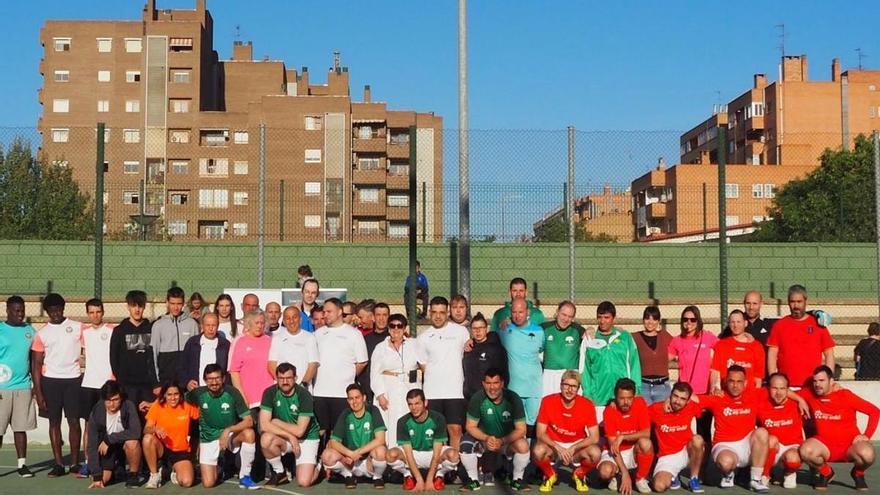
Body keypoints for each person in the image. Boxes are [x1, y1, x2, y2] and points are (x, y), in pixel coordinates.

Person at [695, 365, 776, 492]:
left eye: (739, 382)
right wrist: (669, 401)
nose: (735, 385)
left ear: (745, 383)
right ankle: (728, 475)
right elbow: (691, 397)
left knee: (762, 433)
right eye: (731, 381)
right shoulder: (718, 398)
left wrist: (799, 399)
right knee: (726, 463)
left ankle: (755, 479)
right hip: (725, 445)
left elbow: (779, 389)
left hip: (747, 444)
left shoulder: (753, 395)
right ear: (726, 382)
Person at [798, 365, 879, 490]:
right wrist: (800, 399)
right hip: (825, 445)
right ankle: (826, 472)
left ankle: (858, 473)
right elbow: (786, 392)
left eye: (822, 381)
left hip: (849, 445)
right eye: (815, 381)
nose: (817, 384)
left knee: (868, 454)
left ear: (831, 381)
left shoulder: (845, 395)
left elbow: (874, 411)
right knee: (805, 450)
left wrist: (866, 435)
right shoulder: (809, 393)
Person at [31, 292, 83, 476]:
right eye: (51, 310)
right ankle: (59, 464)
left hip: (74, 380)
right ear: (47, 312)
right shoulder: (42, 334)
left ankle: (75, 463)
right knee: (54, 422)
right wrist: (38, 393)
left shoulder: (78, 327)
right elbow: (36, 365)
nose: (55, 313)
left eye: (58, 309)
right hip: (50, 382)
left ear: (63, 308)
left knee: (74, 421)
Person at [185, 364, 258, 489]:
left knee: (249, 434)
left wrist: (228, 430)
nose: (214, 382)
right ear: (205, 380)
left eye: (217, 378)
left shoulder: (232, 392)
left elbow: (249, 421)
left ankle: (245, 476)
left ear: (223, 378)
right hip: (208, 438)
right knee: (208, 484)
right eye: (210, 379)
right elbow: (180, 400)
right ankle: (220, 466)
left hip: (229, 435)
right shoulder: (198, 393)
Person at [460, 367, 531, 491]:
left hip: (506, 442)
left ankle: (517, 479)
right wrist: (487, 438)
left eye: (496, 383)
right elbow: (470, 426)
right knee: (465, 442)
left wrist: (502, 441)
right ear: (483, 383)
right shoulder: (477, 398)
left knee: (523, 445)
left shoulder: (513, 398)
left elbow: (521, 429)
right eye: (488, 383)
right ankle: (473, 480)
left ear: (502, 383)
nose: (492, 388)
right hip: (485, 441)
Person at [532, 370, 601, 493]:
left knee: (595, 453)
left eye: (574, 386)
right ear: (561, 385)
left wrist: (574, 447)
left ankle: (579, 474)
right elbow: (540, 433)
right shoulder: (547, 401)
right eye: (566, 385)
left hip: (576, 446)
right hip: (554, 445)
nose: (570, 390)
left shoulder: (587, 404)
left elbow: (595, 437)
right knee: (538, 450)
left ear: (578, 388)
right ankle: (550, 474)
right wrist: (558, 447)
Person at [418, 296, 471, 451]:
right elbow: (423, 365)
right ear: (429, 312)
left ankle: (453, 466)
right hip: (432, 393)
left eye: (442, 312)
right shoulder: (423, 337)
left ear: (447, 312)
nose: (438, 316)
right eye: (434, 312)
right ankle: (440, 468)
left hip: (455, 392)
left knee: (455, 430)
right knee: (436, 433)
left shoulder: (461, 332)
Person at [259, 363, 322, 487]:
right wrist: (290, 436)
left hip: (307, 438)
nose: (285, 381)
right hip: (288, 438)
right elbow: (264, 425)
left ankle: (320, 465)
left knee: (304, 482)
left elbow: (300, 431)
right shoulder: (269, 392)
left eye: (288, 378)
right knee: (266, 439)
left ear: (295, 378)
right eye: (281, 378)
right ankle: (280, 472)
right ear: (276, 379)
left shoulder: (304, 395)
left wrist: (277, 422)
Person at [313, 298, 368, 435]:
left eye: (329, 311)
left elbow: (362, 362)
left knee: (338, 432)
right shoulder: (317, 334)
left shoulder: (354, 334)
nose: (325, 314)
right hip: (320, 392)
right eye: (324, 311)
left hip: (342, 394)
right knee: (320, 430)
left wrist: (348, 375)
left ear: (340, 312)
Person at [387, 389, 460, 491]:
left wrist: (429, 480)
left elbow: (437, 453)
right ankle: (409, 476)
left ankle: (439, 476)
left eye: (417, 403)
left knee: (454, 455)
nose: (414, 408)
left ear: (425, 403)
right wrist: (420, 480)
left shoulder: (438, 418)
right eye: (410, 404)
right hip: (413, 453)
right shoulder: (403, 421)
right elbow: (408, 454)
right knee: (391, 455)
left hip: (433, 452)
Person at [321, 383, 388, 489]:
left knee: (381, 451)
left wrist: (358, 452)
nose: (354, 401)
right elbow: (334, 442)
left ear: (364, 397)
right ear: (348, 401)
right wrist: (350, 454)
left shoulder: (373, 410)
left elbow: (380, 439)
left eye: (357, 397)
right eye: (351, 398)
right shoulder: (345, 414)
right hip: (350, 462)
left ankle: (377, 477)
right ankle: (348, 475)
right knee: (327, 455)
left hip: (368, 461)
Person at [579, 301, 641, 415]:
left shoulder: (625, 338)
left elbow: (634, 365)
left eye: (606, 317)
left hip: (623, 398)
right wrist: (588, 394)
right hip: (598, 399)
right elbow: (584, 370)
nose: (602, 321)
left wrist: (636, 391)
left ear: (614, 318)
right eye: (599, 317)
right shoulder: (589, 340)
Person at [767, 284, 835, 388]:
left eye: (799, 302)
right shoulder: (779, 325)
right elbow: (772, 354)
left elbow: (829, 353)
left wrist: (829, 379)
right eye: (792, 302)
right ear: (788, 303)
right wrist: (773, 379)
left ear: (805, 301)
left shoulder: (818, 325)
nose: (796, 306)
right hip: (787, 386)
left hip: (813, 385)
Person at [370, 313, 422, 446]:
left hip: (409, 387)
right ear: (388, 328)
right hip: (388, 389)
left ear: (405, 328)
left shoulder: (414, 344)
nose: (396, 329)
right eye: (392, 326)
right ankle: (390, 454)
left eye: (400, 326)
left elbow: (424, 363)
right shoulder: (380, 348)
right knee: (390, 422)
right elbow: (374, 373)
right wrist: (380, 395)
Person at [78, 298, 116, 479]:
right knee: (89, 426)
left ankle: (112, 462)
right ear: (87, 313)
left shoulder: (112, 330)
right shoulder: (83, 332)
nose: (95, 315)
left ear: (103, 311)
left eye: (98, 311)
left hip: (107, 385)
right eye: (91, 312)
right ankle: (87, 463)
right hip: (88, 385)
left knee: (110, 424)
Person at [0, 295, 37, 477]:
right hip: (2, 389)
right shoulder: (0, 330)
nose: (20, 314)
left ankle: (22, 465)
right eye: (16, 310)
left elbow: (34, 359)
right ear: (7, 310)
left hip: (23, 387)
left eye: (22, 310)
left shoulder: (30, 331)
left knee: (20, 428)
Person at [668, 305, 716, 444]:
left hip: (703, 394)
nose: (689, 323)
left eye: (693, 320)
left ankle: (703, 464)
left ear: (698, 320)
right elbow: (663, 358)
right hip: (684, 394)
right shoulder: (677, 340)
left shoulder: (707, 337)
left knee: (703, 431)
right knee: (680, 429)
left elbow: (724, 347)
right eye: (685, 319)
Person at [597, 379, 654, 494]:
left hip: (633, 450)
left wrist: (623, 436)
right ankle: (617, 475)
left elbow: (646, 433)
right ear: (615, 397)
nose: (626, 402)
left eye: (629, 398)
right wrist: (625, 473)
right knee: (605, 472)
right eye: (621, 398)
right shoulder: (609, 411)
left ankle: (639, 478)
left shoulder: (640, 403)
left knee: (646, 443)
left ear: (634, 396)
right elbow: (614, 447)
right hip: (614, 453)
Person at [648, 382, 706, 493]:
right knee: (659, 486)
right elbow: (637, 413)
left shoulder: (692, 406)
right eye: (675, 396)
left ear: (688, 401)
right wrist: (613, 403)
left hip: (687, 452)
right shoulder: (657, 408)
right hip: (667, 456)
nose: (677, 401)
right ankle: (673, 477)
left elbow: (709, 403)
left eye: (682, 399)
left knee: (697, 440)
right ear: (670, 395)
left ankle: (694, 479)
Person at [497, 298, 545, 429]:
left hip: (533, 388)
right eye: (514, 312)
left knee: (532, 426)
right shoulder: (503, 330)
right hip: (513, 388)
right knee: (515, 426)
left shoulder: (539, 331)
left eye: (521, 312)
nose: (517, 315)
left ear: (527, 312)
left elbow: (544, 350)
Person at [110, 290, 159, 417]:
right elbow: (114, 359)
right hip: (127, 387)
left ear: (144, 307)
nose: (137, 309)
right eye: (133, 306)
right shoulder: (119, 331)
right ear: (127, 306)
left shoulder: (151, 329)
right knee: (130, 421)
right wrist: (121, 381)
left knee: (148, 421)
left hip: (148, 386)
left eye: (140, 306)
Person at [142, 381, 200, 488]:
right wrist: (155, 429)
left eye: (176, 394)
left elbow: (202, 417)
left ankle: (173, 470)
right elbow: (146, 429)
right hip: (162, 449)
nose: (173, 398)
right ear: (164, 395)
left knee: (187, 482)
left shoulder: (187, 406)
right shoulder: (157, 406)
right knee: (147, 439)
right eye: (169, 394)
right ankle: (154, 475)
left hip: (180, 451)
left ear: (180, 394)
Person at [86, 380, 142, 489]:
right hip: (107, 448)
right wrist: (96, 474)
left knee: (133, 443)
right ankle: (116, 469)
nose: (112, 404)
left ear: (120, 398)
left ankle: (133, 476)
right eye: (108, 400)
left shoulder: (128, 405)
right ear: (103, 400)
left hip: (122, 443)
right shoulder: (96, 412)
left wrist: (109, 439)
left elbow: (136, 431)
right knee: (103, 481)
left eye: (116, 399)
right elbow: (92, 446)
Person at [757, 373, 804, 489]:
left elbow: (822, 391)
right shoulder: (760, 402)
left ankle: (789, 473)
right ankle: (765, 474)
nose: (778, 393)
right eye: (774, 388)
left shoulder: (797, 402)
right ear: (768, 388)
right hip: (770, 449)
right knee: (770, 439)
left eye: (782, 388)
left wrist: (835, 386)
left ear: (788, 390)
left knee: (792, 459)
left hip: (792, 448)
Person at [152, 287, 199, 386]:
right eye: (172, 303)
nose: (176, 307)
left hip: (187, 381)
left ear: (183, 304)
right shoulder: (158, 325)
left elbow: (196, 354)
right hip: (166, 380)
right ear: (167, 303)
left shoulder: (192, 324)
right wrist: (156, 382)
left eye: (179, 304)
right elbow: (153, 354)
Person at [710, 310, 766, 392]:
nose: (735, 325)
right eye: (732, 322)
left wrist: (756, 396)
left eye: (739, 322)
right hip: (726, 394)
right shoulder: (721, 345)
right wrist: (715, 388)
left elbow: (758, 378)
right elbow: (715, 371)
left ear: (745, 323)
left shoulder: (757, 346)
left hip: (748, 395)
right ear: (729, 324)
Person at [229, 309, 274, 408]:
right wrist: (241, 397)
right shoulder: (239, 341)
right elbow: (234, 372)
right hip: (249, 400)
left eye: (262, 323)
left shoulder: (270, 341)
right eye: (256, 323)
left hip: (268, 399)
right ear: (249, 323)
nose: (259, 326)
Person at [540, 301, 583, 398]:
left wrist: (590, 329)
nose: (566, 319)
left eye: (570, 316)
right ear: (557, 312)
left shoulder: (577, 330)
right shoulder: (544, 328)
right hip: (549, 375)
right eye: (564, 314)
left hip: (570, 376)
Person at [632, 306, 674, 405]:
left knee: (661, 418)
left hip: (662, 386)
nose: (650, 322)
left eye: (654, 319)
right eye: (647, 318)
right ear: (643, 320)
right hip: (643, 386)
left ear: (658, 321)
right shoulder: (635, 337)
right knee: (645, 418)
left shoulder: (664, 336)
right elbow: (619, 335)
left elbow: (679, 344)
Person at [267, 306, 318, 386]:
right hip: (282, 389)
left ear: (300, 320)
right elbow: (271, 364)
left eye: (294, 317)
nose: (291, 321)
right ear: (283, 321)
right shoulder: (277, 338)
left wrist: (302, 385)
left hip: (302, 389)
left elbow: (313, 364)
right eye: (288, 318)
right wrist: (282, 383)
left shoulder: (310, 337)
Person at [180, 312, 230, 391]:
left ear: (218, 326)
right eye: (208, 325)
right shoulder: (192, 343)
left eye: (213, 325)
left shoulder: (225, 345)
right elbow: (182, 366)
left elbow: (228, 370)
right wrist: (187, 382)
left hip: (218, 390)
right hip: (197, 389)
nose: (211, 328)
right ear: (202, 326)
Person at [463, 313, 508, 400]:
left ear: (486, 328)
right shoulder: (468, 348)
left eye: (481, 328)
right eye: (475, 328)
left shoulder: (495, 348)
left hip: (489, 397)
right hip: (470, 397)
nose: (478, 331)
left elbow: (504, 374)